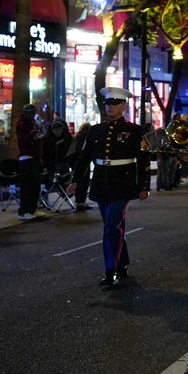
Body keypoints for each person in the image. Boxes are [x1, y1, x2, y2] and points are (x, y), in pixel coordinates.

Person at [66, 88, 151, 287]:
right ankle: (122, 263)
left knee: (110, 227)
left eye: (114, 103)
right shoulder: (95, 130)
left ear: (124, 105)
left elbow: (143, 160)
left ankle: (110, 269)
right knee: (115, 227)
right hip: (101, 183)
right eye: (107, 103)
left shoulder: (135, 131)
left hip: (123, 184)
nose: (110, 106)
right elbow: (84, 158)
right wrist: (75, 180)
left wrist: (144, 186)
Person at [15, 104, 45, 221]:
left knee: (35, 185)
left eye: (34, 113)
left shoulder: (31, 124)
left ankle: (32, 209)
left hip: (34, 158)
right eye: (31, 113)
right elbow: (23, 142)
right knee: (27, 186)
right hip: (27, 158)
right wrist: (33, 132)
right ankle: (24, 211)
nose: (33, 115)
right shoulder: (22, 125)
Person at [66, 121, 93, 209]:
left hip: (72, 158)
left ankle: (78, 199)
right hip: (81, 158)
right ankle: (81, 201)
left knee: (77, 179)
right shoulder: (87, 135)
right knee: (84, 180)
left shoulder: (77, 135)